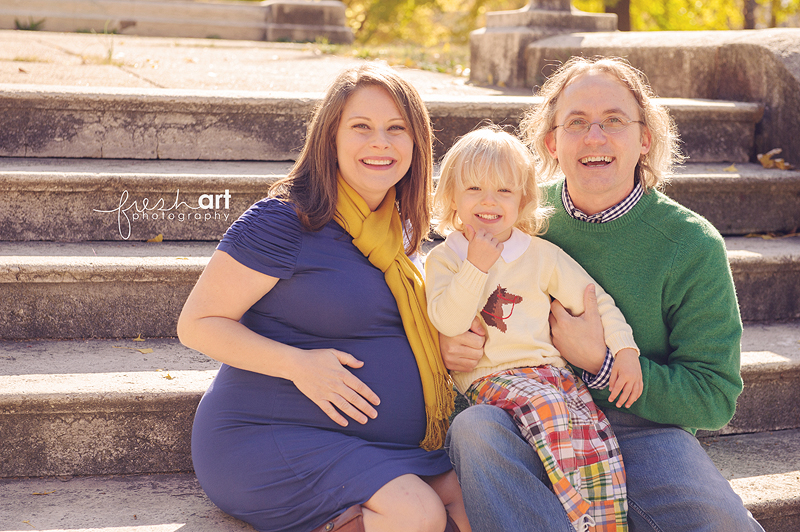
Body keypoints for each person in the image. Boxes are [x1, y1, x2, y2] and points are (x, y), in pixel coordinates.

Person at [441, 57, 764, 531]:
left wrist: (604, 365)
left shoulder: (691, 245)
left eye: (614, 121)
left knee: (724, 524)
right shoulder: (510, 210)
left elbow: (713, 397)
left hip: (644, 432)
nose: (595, 137)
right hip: (524, 415)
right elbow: (446, 286)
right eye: (576, 123)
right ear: (552, 142)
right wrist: (446, 347)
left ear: (644, 138)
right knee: (474, 430)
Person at [178, 63, 470, 532]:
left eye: (397, 128)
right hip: (266, 436)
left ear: (416, 144)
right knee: (416, 514)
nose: (381, 142)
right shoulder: (284, 221)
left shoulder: (398, 235)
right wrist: (300, 365)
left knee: (472, 497)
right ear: (330, 139)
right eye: (361, 128)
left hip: (375, 447)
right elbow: (196, 323)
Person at [424, 126, 642, 531]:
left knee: (596, 437)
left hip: (554, 378)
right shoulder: (447, 259)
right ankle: (575, 514)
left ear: (523, 198)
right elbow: (448, 321)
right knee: (549, 409)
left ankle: (602, 521)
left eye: (504, 191)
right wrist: (477, 264)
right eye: (474, 189)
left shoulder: (540, 255)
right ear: (452, 196)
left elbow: (594, 300)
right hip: (493, 379)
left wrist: (625, 351)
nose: (489, 202)